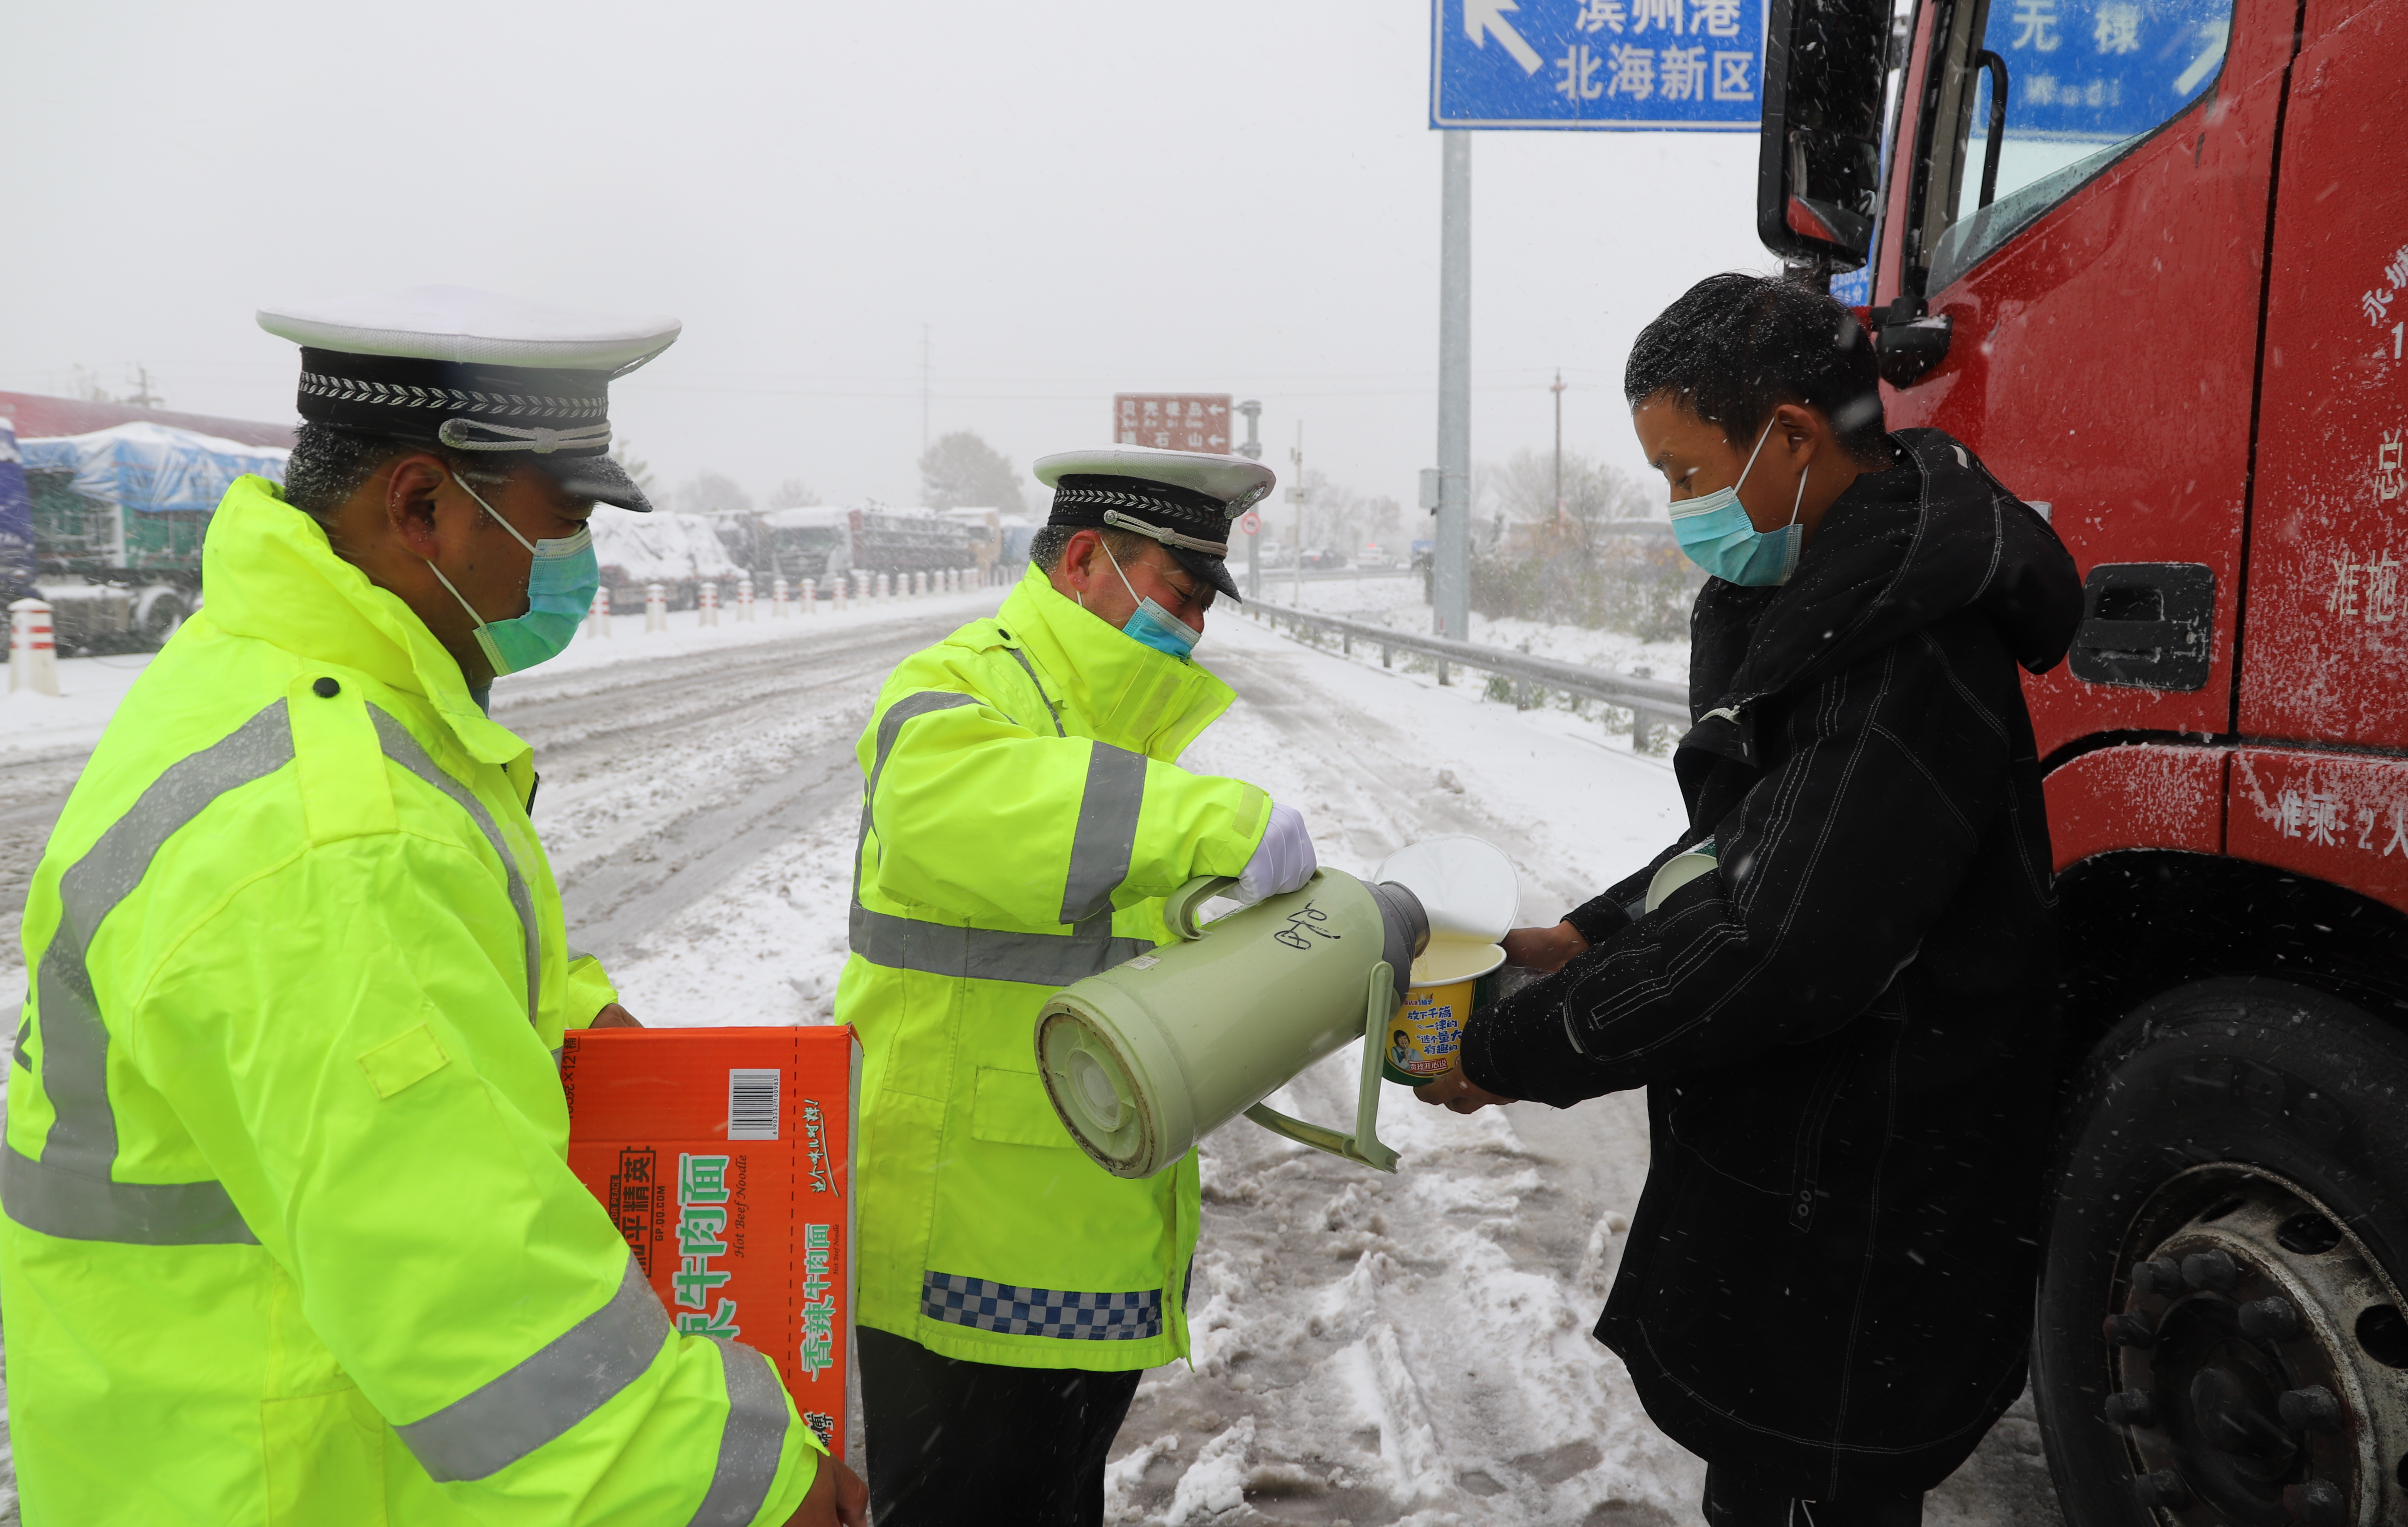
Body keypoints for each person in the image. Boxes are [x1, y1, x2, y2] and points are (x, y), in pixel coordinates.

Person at [0, 286, 865, 1527]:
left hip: (213, 1434)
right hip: (288, 1476)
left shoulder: (279, 684)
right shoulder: (327, 835)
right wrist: (749, 1490)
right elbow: (465, 1290)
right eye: (563, 523)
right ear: (421, 507)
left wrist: (580, 1025)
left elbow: (386, 988)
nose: (581, 564)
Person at [1417, 273, 2082, 1525]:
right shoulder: (1824, 596)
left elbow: (1777, 939)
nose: (1681, 511)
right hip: (1819, 1170)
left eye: (1683, 474)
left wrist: (1515, 1045)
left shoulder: (1901, 646)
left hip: (1871, 1197)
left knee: (1809, 1488)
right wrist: (1593, 934)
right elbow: (1744, 839)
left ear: (1786, 436)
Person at [838, 445, 1317, 1526]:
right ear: (1086, 560)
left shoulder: (1122, 723)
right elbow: (948, 806)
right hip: (966, 1240)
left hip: (1076, 1223)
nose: (1190, 631)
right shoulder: (966, 684)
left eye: (1204, 609)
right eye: (1180, 596)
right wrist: (1214, 824)